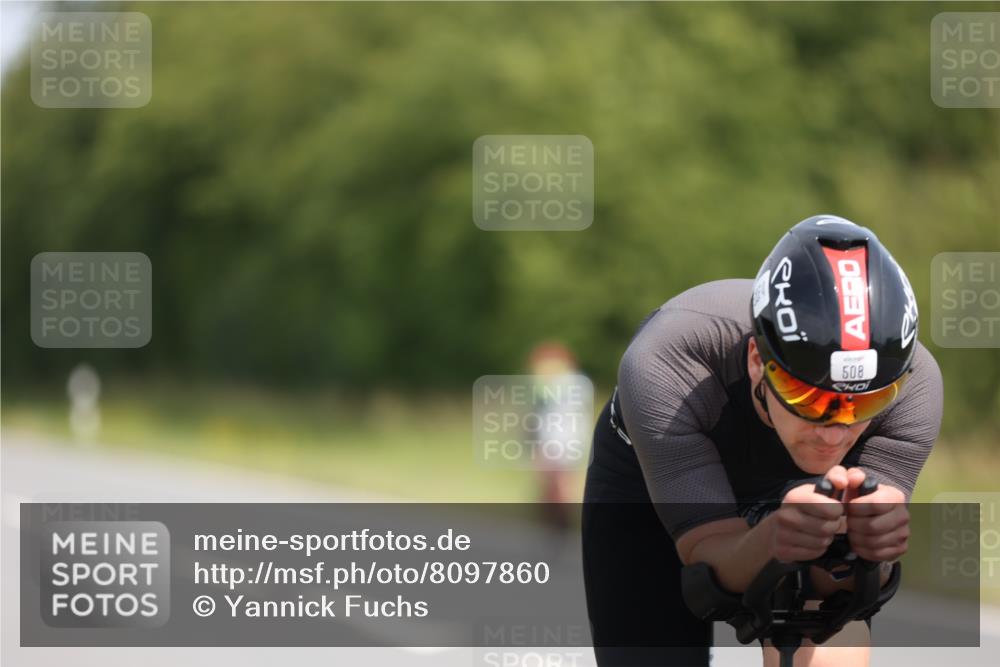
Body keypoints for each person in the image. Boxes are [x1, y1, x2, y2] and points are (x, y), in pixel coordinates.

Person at [582, 215, 942, 667]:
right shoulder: (667, 358)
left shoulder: (915, 387)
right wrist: (773, 537)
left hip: (798, 505)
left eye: (863, 404)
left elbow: (844, 593)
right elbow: (708, 558)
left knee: (832, 626)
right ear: (757, 359)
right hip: (652, 491)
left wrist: (873, 550)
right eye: (807, 397)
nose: (834, 431)